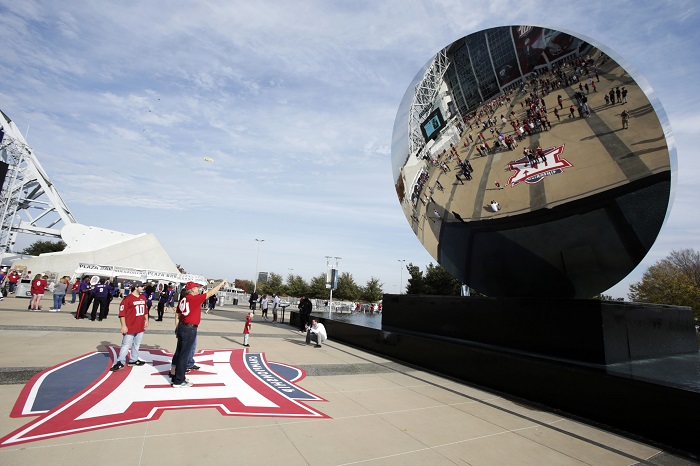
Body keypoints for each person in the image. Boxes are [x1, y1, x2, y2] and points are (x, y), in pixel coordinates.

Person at [170, 280, 227, 388]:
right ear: (192, 290)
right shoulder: (193, 299)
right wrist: (220, 284)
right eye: (196, 288)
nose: (198, 289)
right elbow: (210, 293)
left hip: (182, 326)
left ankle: (176, 375)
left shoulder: (183, 300)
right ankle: (179, 380)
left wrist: (177, 327)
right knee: (184, 355)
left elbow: (178, 314)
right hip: (189, 328)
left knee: (180, 352)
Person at [110, 281, 149, 371]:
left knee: (137, 344)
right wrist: (123, 326)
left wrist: (146, 320)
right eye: (141, 286)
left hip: (140, 326)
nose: (143, 288)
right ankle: (120, 361)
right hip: (130, 326)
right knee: (126, 345)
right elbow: (122, 314)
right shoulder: (127, 299)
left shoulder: (143, 298)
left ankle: (133, 359)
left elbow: (145, 311)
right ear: (136, 287)